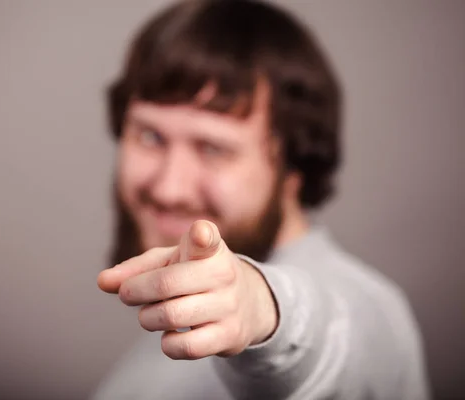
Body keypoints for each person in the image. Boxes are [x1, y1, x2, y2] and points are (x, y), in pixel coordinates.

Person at [93, 0, 430, 399]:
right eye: (150, 136)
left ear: (294, 166)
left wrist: (259, 305)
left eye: (213, 149)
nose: (170, 188)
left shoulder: (371, 313)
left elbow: (328, 337)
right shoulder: (172, 328)